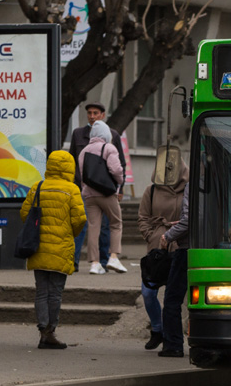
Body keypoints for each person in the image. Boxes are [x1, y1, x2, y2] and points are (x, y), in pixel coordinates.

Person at [20, 150, 86, 350]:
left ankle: (42, 332)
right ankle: (51, 331)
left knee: (41, 291)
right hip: (61, 247)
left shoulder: (38, 187)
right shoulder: (72, 189)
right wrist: (69, 233)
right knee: (55, 293)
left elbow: (24, 213)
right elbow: (80, 219)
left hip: (38, 247)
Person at [136, 160, 189, 351]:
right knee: (148, 292)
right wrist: (151, 235)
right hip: (157, 248)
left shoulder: (189, 190)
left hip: (180, 248)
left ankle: (173, 335)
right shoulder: (151, 190)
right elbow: (142, 217)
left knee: (175, 296)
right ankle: (157, 330)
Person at [68, 102, 127, 272]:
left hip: (88, 193)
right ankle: (113, 258)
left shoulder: (85, 150)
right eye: (89, 113)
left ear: (102, 114)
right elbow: (117, 168)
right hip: (106, 191)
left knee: (94, 226)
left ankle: (95, 263)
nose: (92, 116)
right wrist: (118, 184)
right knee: (116, 223)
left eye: (95, 113)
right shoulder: (109, 145)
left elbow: (78, 166)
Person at [158, 184, 190, 358]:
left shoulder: (194, 184)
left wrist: (168, 235)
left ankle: (173, 344)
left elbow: (189, 219)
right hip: (211, 248)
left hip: (187, 250)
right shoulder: (219, 180)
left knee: (172, 300)